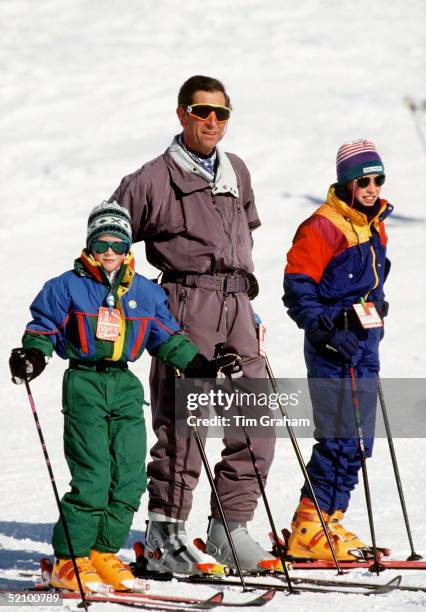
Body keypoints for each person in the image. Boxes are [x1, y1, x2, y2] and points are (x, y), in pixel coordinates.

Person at [9, 201, 242, 592]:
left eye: (119, 244)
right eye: (102, 245)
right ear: (90, 246)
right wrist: (32, 356)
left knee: (130, 478)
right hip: (84, 383)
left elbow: (167, 338)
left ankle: (102, 552)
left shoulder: (145, 293)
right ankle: (69, 558)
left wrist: (202, 366)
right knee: (94, 477)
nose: (111, 253)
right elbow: (43, 328)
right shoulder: (66, 286)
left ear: (128, 247)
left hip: (124, 386)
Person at [110, 75, 278, 574]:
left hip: (238, 307)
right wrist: (135, 301)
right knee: (187, 424)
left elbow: (241, 239)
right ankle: (166, 536)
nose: (212, 122)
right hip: (185, 305)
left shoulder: (237, 172)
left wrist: (249, 304)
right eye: (202, 111)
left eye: (221, 114)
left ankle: (230, 530)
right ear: (182, 114)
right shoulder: (153, 178)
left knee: (256, 418)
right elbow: (109, 236)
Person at [283, 139, 392, 560]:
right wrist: (325, 329)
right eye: (363, 180)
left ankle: (330, 521)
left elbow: (372, 280)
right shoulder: (322, 226)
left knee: (359, 440)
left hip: (365, 343)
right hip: (333, 345)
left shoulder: (374, 224)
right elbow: (298, 290)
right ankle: (310, 525)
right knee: (338, 436)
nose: (371, 188)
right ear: (347, 182)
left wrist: (377, 304)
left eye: (377, 179)